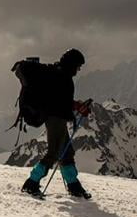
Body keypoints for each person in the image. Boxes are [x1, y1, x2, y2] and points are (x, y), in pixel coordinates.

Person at [20, 48, 92, 199]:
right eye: (78, 66)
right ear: (72, 64)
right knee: (54, 152)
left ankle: (73, 185)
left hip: (55, 118)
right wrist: (78, 107)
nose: (79, 70)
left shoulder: (58, 74)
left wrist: (77, 106)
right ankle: (32, 183)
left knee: (66, 152)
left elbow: (59, 99)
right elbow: (59, 101)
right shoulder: (62, 77)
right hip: (56, 119)